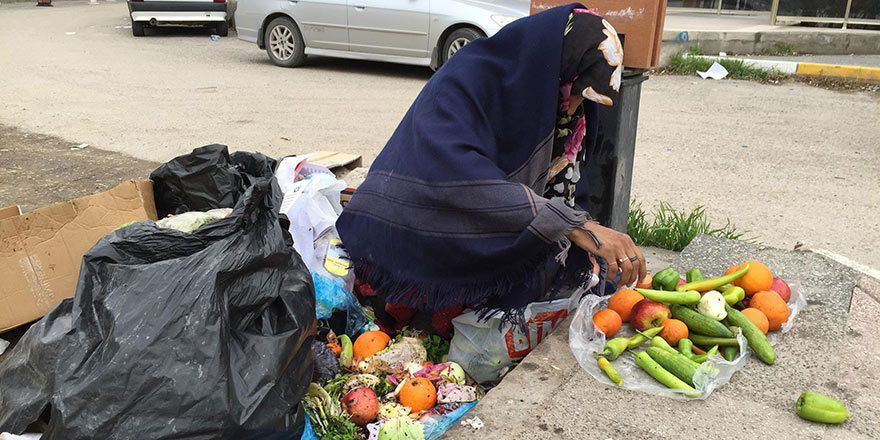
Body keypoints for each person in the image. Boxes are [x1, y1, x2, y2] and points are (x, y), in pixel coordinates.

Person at [337, 4, 646, 333]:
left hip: (478, 209)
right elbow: (452, 177)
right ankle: (425, 309)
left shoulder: (561, 103)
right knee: (425, 312)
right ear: (557, 68)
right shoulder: (469, 77)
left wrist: (584, 238)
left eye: (583, 100)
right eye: (574, 94)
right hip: (420, 209)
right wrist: (575, 226)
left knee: (551, 248)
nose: (573, 106)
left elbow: (562, 192)